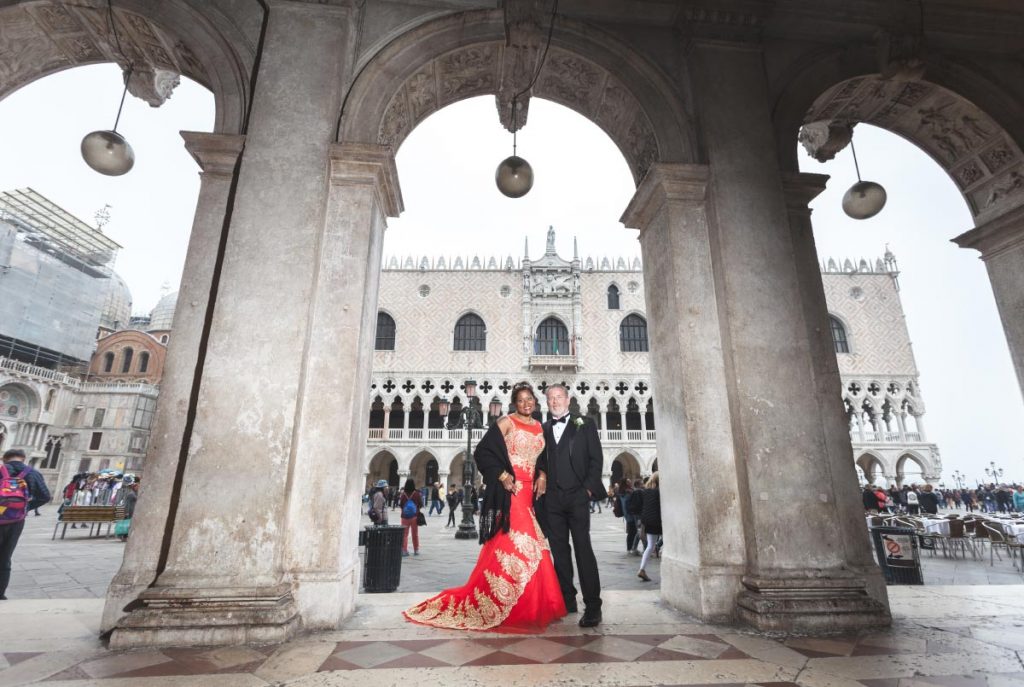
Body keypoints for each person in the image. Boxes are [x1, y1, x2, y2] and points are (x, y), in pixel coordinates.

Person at [404, 382, 565, 632]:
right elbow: (483, 451)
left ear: (535, 400)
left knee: (537, 546)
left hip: (530, 498)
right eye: (521, 400)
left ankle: (532, 604)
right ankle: (508, 603)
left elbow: (543, 459)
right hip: (511, 494)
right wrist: (502, 476)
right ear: (515, 403)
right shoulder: (506, 422)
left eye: (529, 399)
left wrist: (542, 474)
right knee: (519, 545)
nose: (526, 404)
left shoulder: (538, 427)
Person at [536, 383, 605, 627]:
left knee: (583, 549)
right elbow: (539, 462)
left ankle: (593, 606)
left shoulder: (585, 424)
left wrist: (586, 489)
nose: (554, 402)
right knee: (560, 553)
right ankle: (567, 600)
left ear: (568, 400)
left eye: (558, 397)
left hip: (577, 497)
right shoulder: (542, 429)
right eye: (550, 399)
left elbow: (596, 460)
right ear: (547, 403)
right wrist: (542, 475)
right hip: (552, 500)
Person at [1, 448, 51, 600]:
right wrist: (25, 508)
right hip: (16, 520)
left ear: (4, 459)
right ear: (24, 458)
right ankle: (0, 594)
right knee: (5, 557)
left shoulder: (1, 469)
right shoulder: (32, 473)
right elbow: (45, 496)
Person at [637, 472, 662, 581]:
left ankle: (642, 569)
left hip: (648, 521)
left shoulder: (646, 491)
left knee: (650, 546)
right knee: (670, 543)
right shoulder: (660, 492)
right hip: (659, 521)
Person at [399, 478, 423, 557]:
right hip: (414, 516)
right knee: (415, 534)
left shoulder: (403, 494)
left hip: (404, 517)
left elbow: (401, 504)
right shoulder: (416, 494)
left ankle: (404, 550)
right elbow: (421, 504)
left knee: (404, 534)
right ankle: (416, 550)